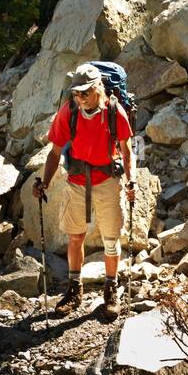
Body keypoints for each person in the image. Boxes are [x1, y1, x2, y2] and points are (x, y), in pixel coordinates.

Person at [32, 63, 136, 320]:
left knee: (110, 240)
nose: (80, 97)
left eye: (85, 92)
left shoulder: (114, 111)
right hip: (77, 180)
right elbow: (55, 152)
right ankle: (74, 289)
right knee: (75, 236)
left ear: (98, 88)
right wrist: (44, 182)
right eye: (76, 93)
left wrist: (131, 181)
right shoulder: (70, 112)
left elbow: (127, 150)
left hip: (108, 180)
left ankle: (111, 290)